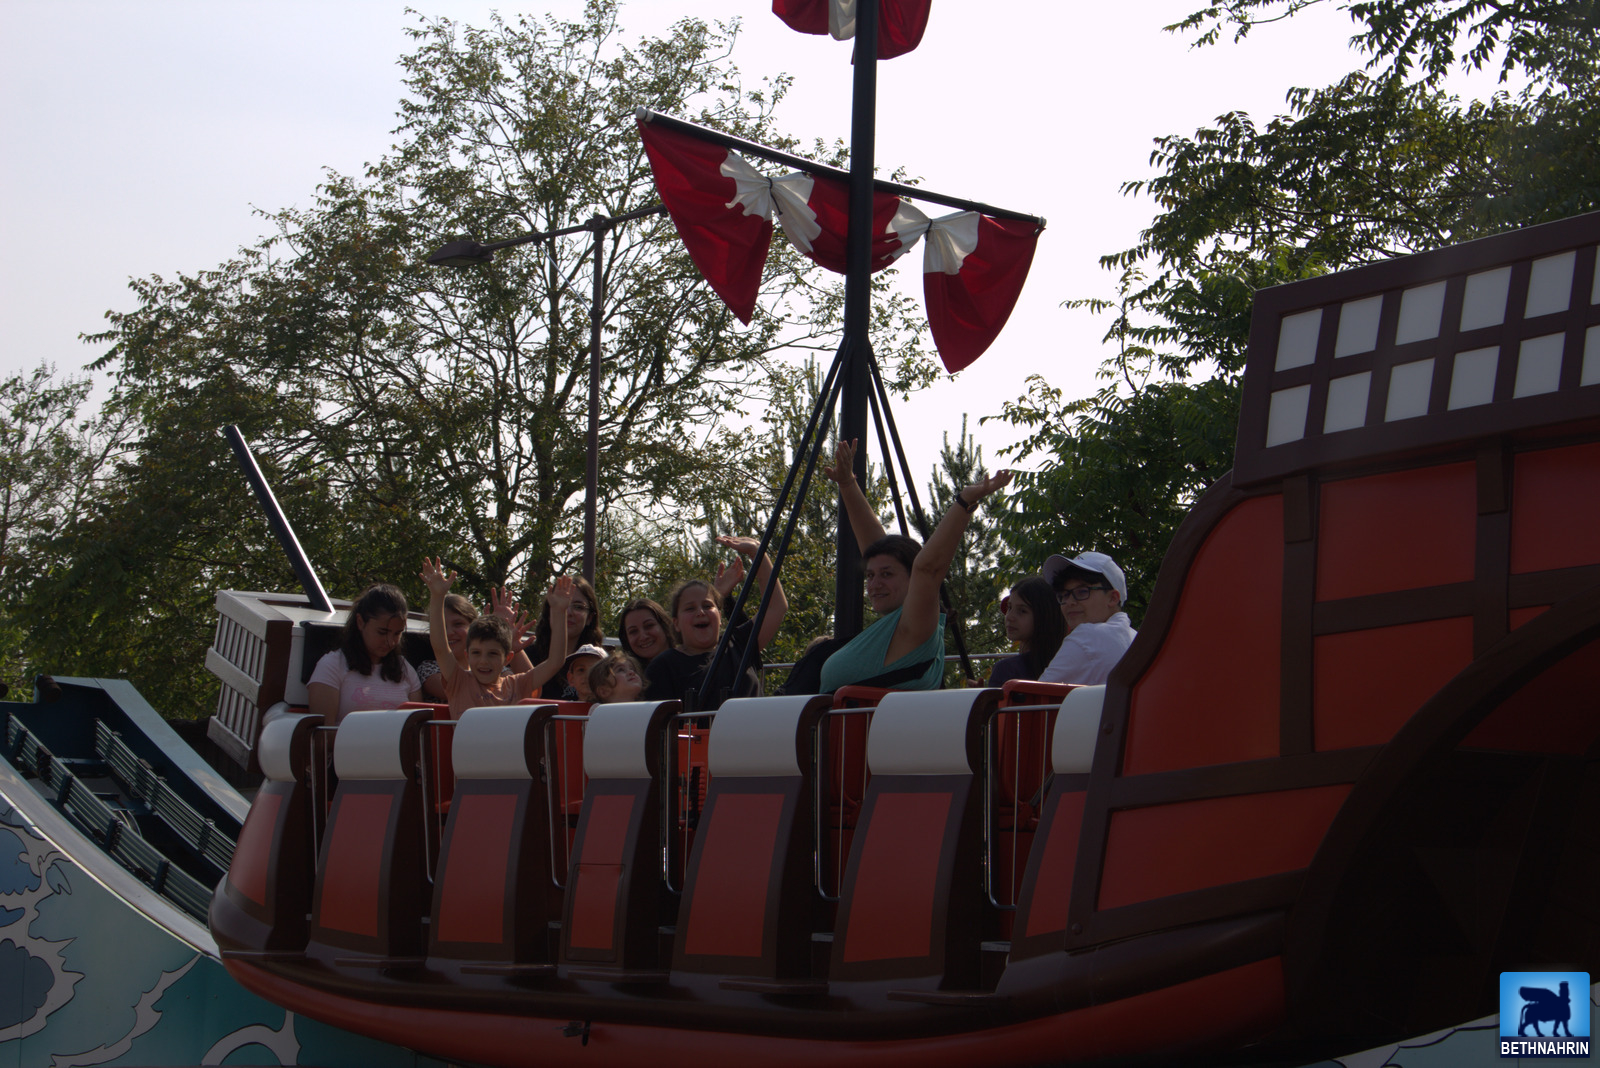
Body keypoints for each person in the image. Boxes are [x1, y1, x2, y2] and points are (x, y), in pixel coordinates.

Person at [813, 439, 1012, 693]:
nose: (875, 584)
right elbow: (878, 548)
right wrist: (847, 484)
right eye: (870, 575)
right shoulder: (894, 627)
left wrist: (964, 501)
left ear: (913, 580)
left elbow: (928, 569)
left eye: (886, 574)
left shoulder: (914, 628)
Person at [644, 535, 788, 711]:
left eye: (707, 606)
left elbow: (776, 607)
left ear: (719, 616)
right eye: (690, 608)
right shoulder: (663, 666)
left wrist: (757, 552)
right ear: (676, 623)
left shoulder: (738, 643)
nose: (700, 612)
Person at [420, 558, 573, 719]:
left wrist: (559, 611)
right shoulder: (459, 681)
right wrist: (437, 596)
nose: (483, 661)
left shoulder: (517, 684)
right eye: (476, 653)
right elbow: (440, 647)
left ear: (508, 658)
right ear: (467, 655)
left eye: (492, 653)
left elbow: (555, 661)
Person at [307, 584, 422, 725]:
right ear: (360, 622)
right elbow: (323, 733)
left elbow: (417, 728)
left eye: (397, 633)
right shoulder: (332, 665)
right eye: (382, 632)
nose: (390, 641)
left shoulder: (405, 669)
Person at [1038, 551, 1137, 686]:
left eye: (1082, 592)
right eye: (1064, 595)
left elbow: (1036, 694)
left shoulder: (1087, 637)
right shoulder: (1136, 638)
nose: (1069, 602)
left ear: (1113, 598)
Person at [525, 575, 605, 699]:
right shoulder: (528, 656)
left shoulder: (602, 660)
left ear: (590, 617)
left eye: (578, 607)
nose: (568, 612)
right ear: (549, 613)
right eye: (559, 605)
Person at [986, 575, 1068, 686]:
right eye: (1009, 607)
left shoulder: (1007, 670)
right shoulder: (1069, 664)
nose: (1009, 617)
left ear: (1044, 616)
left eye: (1022, 611)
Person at [616, 598, 673, 670]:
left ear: (664, 625)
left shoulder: (686, 664)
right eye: (633, 631)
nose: (643, 637)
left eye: (649, 626)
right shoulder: (625, 675)